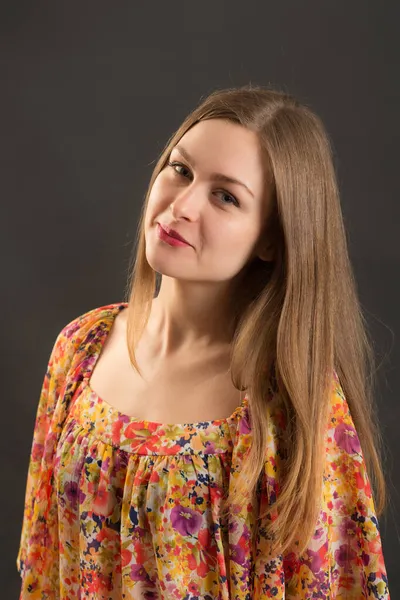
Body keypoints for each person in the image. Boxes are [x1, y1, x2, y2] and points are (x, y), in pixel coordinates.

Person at [17, 84, 390, 599]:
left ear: (271, 240)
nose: (183, 205)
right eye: (181, 170)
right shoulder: (80, 349)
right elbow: (43, 569)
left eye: (226, 196)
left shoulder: (290, 406)